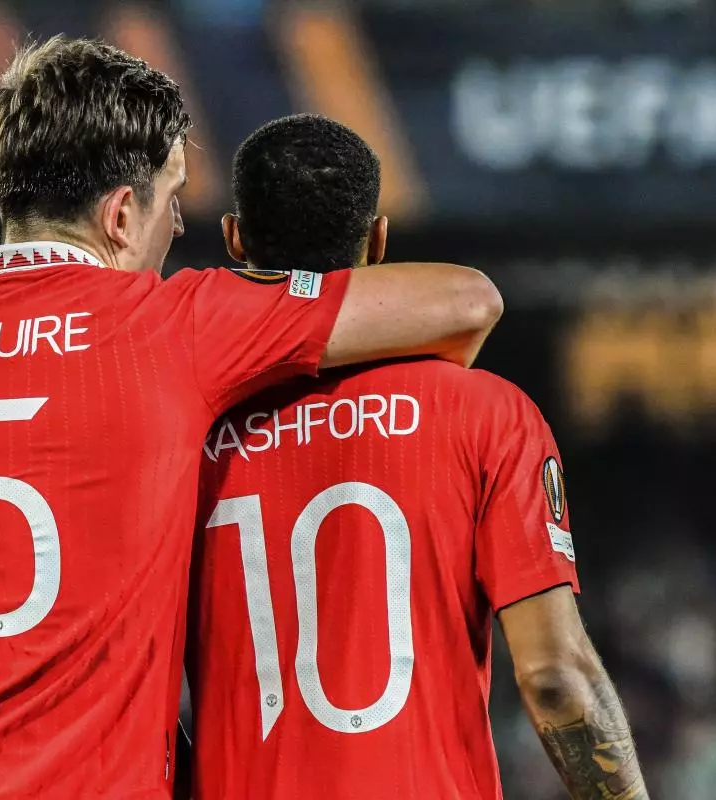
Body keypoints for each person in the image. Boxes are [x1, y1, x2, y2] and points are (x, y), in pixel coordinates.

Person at [0, 39, 502, 800]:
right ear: (121, 214)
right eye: (172, 198)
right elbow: (464, 303)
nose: (177, 226)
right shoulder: (171, 327)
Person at [186, 114, 647, 800]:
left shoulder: (185, 434)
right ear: (378, 240)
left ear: (234, 238)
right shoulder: (488, 413)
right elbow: (555, 678)